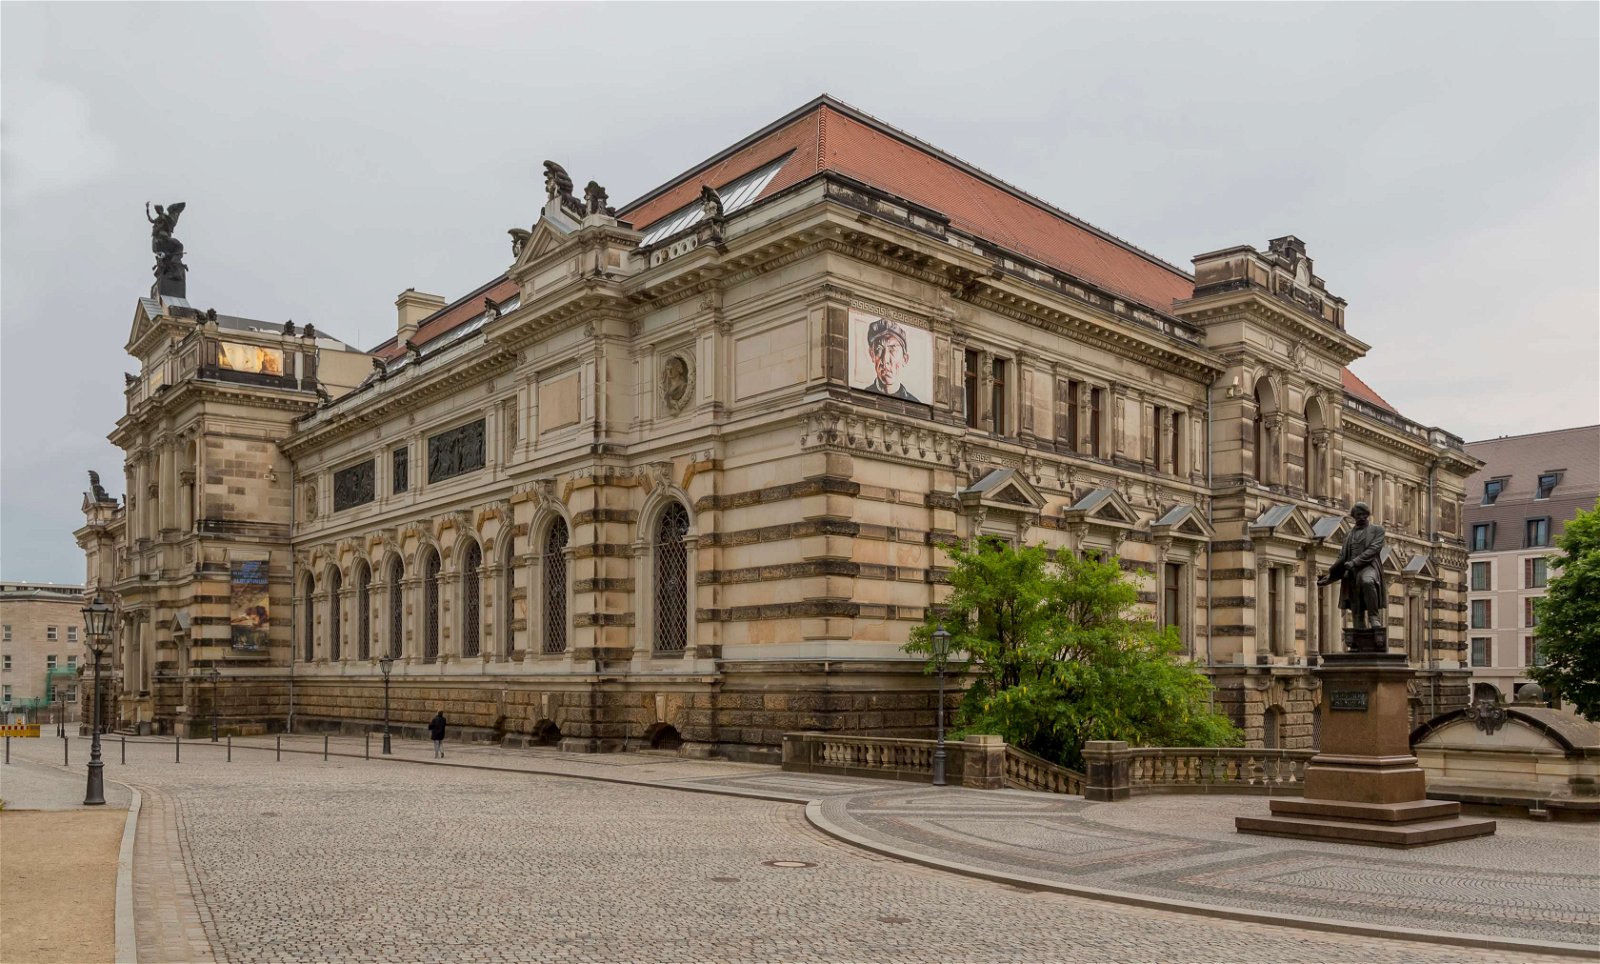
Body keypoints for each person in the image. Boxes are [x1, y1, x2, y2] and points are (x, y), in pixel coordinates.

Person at [1318, 501, 1386, 635]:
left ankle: (1373, 617)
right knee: (1356, 605)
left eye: (1363, 514)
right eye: (1358, 514)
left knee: (1367, 581)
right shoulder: (1349, 534)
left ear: (1367, 515)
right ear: (1354, 516)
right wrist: (1330, 576)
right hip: (1351, 571)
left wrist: (1355, 562)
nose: (1361, 517)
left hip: (1369, 567)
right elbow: (1342, 556)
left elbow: (1373, 550)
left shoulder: (1377, 530)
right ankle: (1358, 634)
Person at [856, 317, 920, 403]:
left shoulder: (915, 405)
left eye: (892, 349)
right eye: (879, 349)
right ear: (872, 355)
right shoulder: (861, 400)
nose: (885, 360)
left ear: (904, 359)